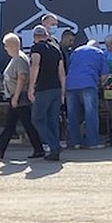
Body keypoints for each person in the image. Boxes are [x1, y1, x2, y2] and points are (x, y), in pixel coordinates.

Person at [0, 32, 41, 161]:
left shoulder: (19, 59)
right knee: (12, 124)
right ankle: (0, 148)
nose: (5, 48)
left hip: (19, 97)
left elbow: (22, 77)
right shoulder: (17, 58)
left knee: (26, 124)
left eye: (6, 46)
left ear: (12, 46)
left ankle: (38, 148)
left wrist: (15, 96)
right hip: (16, 96)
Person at [27, 24, 65, 162]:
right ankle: (55, 149)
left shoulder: (36, 48)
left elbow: (35, 66)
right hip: (56, 88)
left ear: (35, 37)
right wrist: (62, 92)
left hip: (43, 88)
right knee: (52, 120)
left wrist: (31, 87)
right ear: (46, 35)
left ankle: (54, 146)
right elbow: (61, 72)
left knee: (37, 119)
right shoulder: (56, 50)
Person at [64, 38, 108, 149]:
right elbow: (104, 76)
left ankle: (75, 142)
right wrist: (99, 84)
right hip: (88, 84)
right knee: (90, 114)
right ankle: (92, 142)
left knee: (72, 114)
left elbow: (70, 67)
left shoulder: (76, 51)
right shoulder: (99, 53)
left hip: (70, 84)